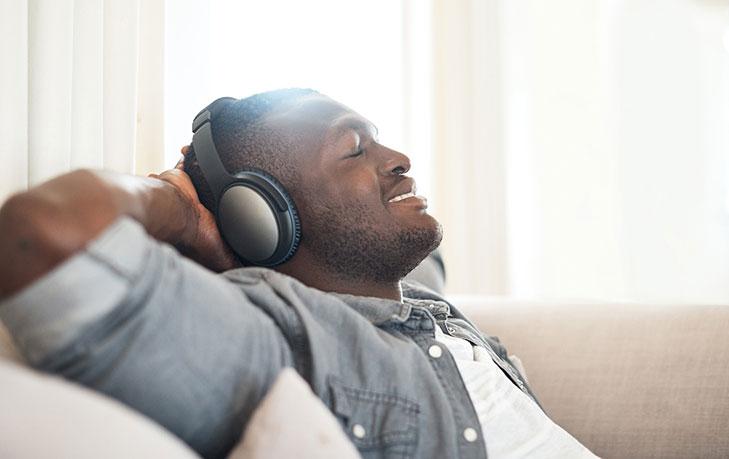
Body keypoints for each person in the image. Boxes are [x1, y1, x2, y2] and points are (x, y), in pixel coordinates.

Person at [0, 89, 597, 458]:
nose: (399, 159)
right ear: (263, 217)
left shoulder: (411, 302)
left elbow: (426, 262)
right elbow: (43, 234)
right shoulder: (278, 337)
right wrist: (178, 207)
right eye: (355, 149)